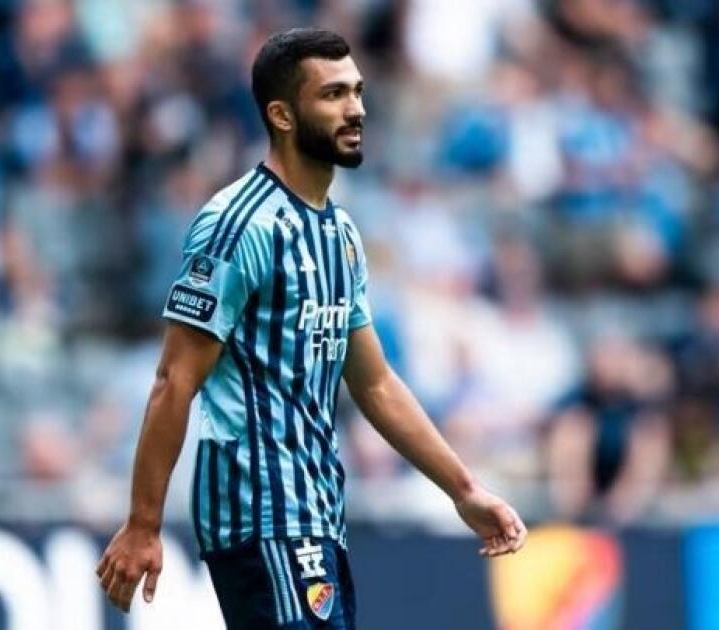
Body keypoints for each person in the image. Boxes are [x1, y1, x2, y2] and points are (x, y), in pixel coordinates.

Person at [96, 28, 526, 628]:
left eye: (357, 91)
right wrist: (144, 524)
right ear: (282, 115)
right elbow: (175, 380)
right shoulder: (236, 226)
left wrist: (463, 489)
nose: (356, 109)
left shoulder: (339, 233)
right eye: (333, 94)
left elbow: (375, 384)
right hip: (260, 512)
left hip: (319, 512)